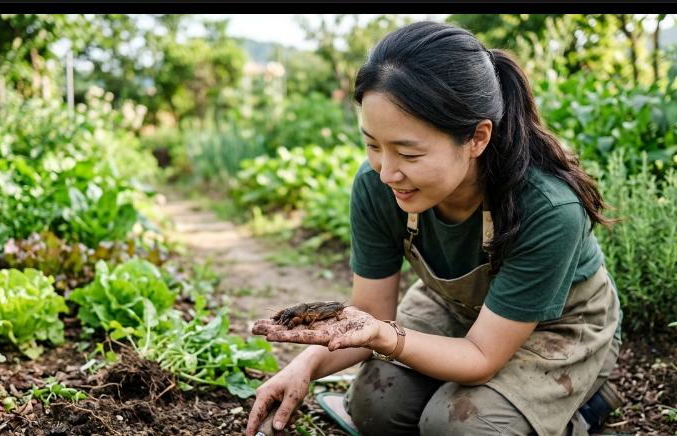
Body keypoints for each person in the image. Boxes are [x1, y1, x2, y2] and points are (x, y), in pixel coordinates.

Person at [245, 21, 624, 436]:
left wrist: (387, 340)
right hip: (455, 308)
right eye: (372, 144)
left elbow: (481, 354)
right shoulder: (377, 186)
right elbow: (370, 315)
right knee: (375, 406)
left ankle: (587, 403)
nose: (387, 171)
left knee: (458, 426)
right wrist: (306, 365)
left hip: (557, 325)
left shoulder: (549, 208)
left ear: (477, 138)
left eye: (408, 152)